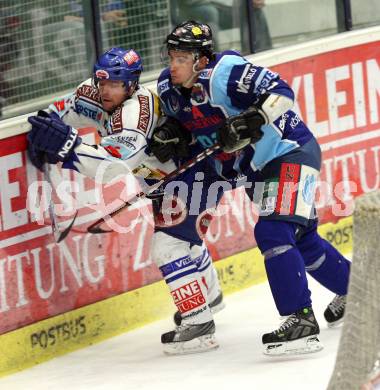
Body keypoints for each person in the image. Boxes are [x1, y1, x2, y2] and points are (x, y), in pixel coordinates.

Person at [152, 20, 351, 356]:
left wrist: (254, 118)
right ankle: (361, 291)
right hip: (254, 169)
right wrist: (172, 134)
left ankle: (300, 320)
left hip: (289, 152)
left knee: (274, 232)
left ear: (201, 59)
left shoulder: (225, 72)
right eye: (171, 56)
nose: (173, 64)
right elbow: (190, 125)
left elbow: (282, 91)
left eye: (182, 57)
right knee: (301, 237)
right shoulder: (169, 90)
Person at [26, 47, 224, 355]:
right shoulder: (91, 94)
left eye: (115, 84)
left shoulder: (136, 110)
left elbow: (113, 167)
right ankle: (209, 296)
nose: (106, 90)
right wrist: (42, 130)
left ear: (130, 85)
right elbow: (58, 113)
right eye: (102, 82)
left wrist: (68, 147)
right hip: (163, 180)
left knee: (167, 246)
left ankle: (199, 324)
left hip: (193, 175)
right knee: (185, 239)